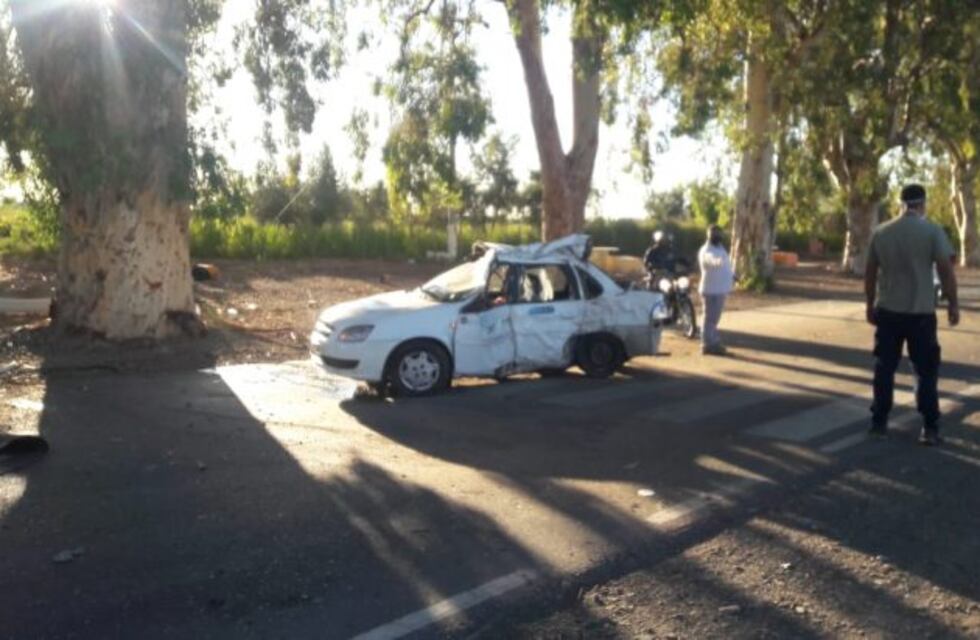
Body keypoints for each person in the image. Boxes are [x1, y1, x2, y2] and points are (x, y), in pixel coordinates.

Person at [865, 183, 959, 445]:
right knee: (925, 371)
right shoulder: (932, 231)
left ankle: (878, 423)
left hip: (888, 313)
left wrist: (869, 304)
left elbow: (870, 272)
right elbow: (945, 270)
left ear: (901, 204)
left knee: (884, 368)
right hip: (920, 314)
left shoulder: (881, 232)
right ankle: (929, 428)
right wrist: (953, 303)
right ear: (923, 204)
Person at [698, 225, 734, 355]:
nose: (717, 236)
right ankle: (708, 344)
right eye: (714, 234)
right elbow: (709, 260)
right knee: (710, 319)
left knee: (713, 319)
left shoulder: (720, 248)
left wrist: (733, 275)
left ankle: (711, 341)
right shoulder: (706, 250)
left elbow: (727, 265)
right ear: (708, 235)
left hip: (719, 290)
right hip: (711, 290)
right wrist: (716, 262)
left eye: (719, 233)